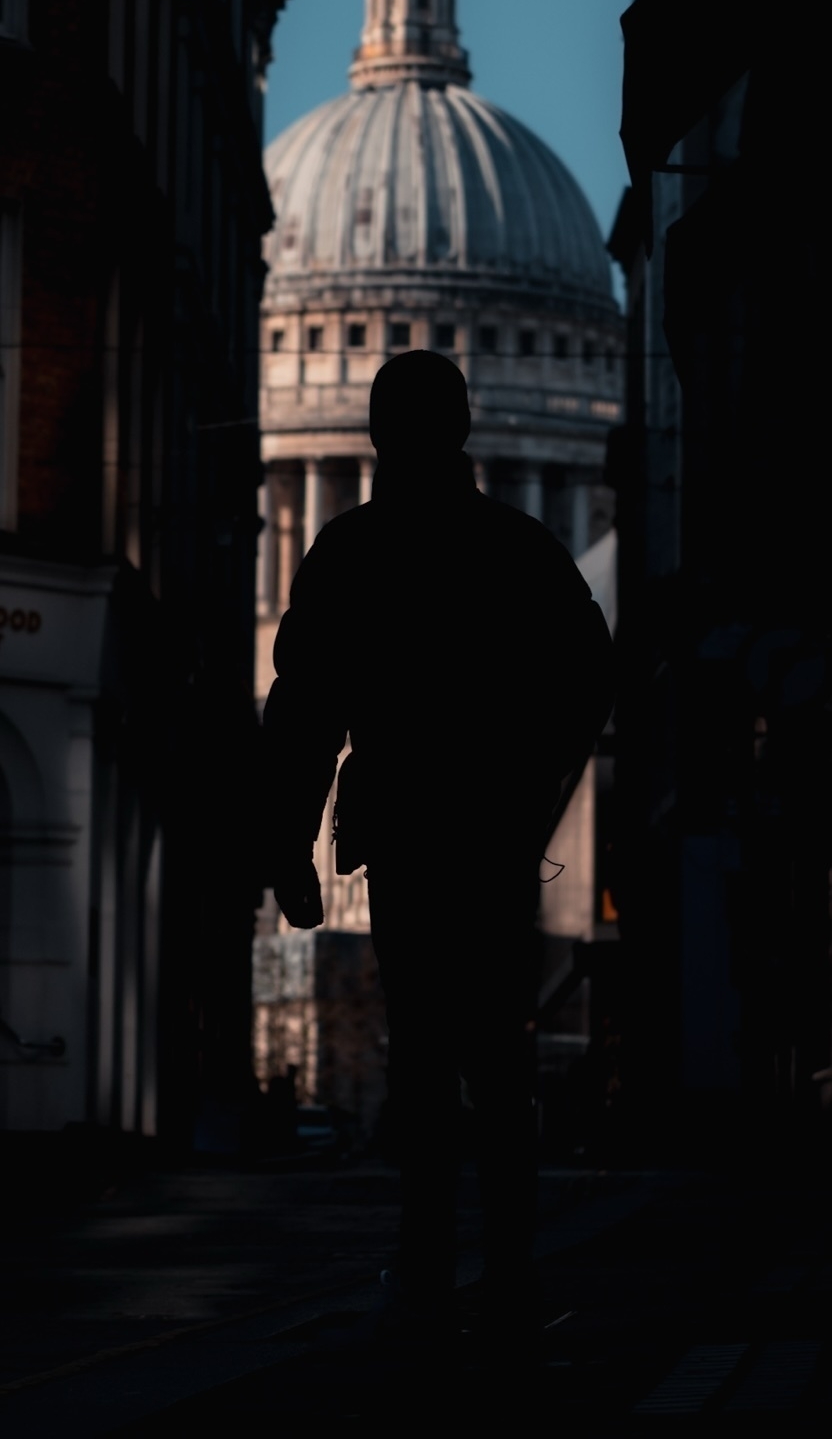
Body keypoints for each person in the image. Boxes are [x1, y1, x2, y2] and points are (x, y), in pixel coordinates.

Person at [261, 350, 615, 1343]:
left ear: (375, 437)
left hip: (408, 833)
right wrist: (531, 781)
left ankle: (425, 1263)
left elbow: (302, 711)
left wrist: (288, 845)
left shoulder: (352, 550)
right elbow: (591, 675)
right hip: (492, 834)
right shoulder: (521, 546)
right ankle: (509, 1269)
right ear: (464, 430)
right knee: (499, 1061)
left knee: (422, 1055)